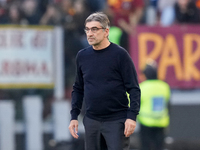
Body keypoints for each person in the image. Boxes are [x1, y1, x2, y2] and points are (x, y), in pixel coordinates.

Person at [68, 12, 140, 150]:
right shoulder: (82, 56)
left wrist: (132, 116)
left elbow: (134, 88)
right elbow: (78, 88)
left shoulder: (120, 55)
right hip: (91, 120)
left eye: (94, 29)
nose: (90, 33)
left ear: (106, 31)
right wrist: (74, 116)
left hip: (116, 121)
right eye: (87, 29)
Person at [137, 59, 171, 150]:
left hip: (146, 122)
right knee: (159, 146)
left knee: (145, 146)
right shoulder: (164, 86)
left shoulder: (142, 87)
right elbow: (168, 105)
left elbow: (135, 105)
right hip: (161, 122)